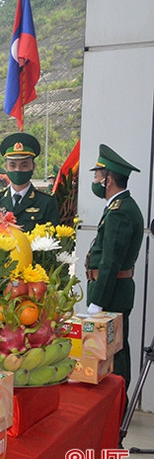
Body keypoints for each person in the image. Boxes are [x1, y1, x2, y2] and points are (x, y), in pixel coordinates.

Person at [85, 144, 144, 390]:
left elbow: (110, 261)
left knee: (115, 351)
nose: (95, 180)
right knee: (112, 349)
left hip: (110, 294)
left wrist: (97, 301)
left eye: (98, 175)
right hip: (113, 291)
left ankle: (119, 404)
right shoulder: (119, 207)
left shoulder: (121, 211)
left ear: (108, 178)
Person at [0, 133, 59, 229]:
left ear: (33, 167)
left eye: (24, 165)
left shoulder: (46, 201)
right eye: (13, 165)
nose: (18, 170)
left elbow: (53, 237)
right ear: (6, 167)